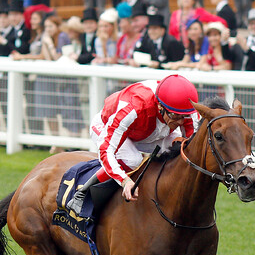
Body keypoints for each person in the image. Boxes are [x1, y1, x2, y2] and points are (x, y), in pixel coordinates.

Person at [67, 74, 199, 214]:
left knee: (178, 148)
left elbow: (192, 145)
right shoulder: (133, 108)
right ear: (160, 106)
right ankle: (83, 193)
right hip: (107, 125)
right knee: (132, 160)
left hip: (148, 131)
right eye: (175, 116)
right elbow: (107, 151)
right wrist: (125, 181)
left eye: (183, 117)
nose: (180, 122)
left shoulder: (186, 109)